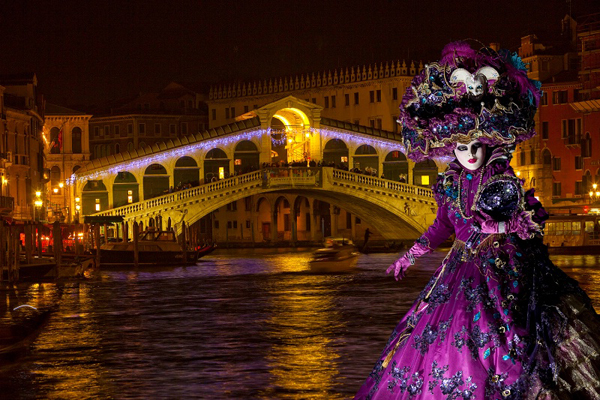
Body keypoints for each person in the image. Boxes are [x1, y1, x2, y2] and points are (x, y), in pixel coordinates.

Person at [355, 42, 600, 399]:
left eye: (475, 147)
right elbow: (441, 227)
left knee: (507, 335)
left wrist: (495, 228)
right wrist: (409, 256)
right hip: (458, 269)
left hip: (502, 268)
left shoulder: (501, 179)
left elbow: (530, 224)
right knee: (442, 337)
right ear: (450, 149)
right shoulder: (449, 184)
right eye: (461, 148)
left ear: (487, 144)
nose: (469, 155)